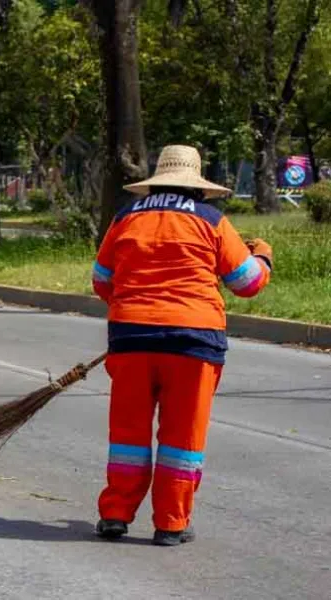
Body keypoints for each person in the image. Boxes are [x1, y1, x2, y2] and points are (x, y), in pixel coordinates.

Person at [91, 145, 273, 546]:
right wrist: (264, 257)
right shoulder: (212, 220)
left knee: (128, 433)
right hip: (194, 342)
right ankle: (171, 523)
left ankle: (116, 514)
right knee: (182, 437)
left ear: (156, 181)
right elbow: (247, 283)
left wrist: (136, 308)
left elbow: (102, 280)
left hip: (131, 337)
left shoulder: (125, 217)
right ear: (198, 187)